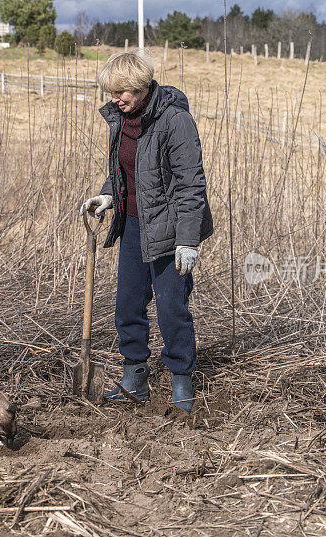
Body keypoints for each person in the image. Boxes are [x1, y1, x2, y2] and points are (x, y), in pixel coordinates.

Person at [80, 48, 213, 412]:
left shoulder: (174, 120)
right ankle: (134, 378)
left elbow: (191, 184)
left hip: (172, 229)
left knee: (172, 309)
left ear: (140, 87)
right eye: (110, 92)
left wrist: (188, 240)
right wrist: (108, 195)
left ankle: (181, 382)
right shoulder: (122, 119)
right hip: (135, 224)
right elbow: (125, 166)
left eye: (121, 92)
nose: (114, 99)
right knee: (128, 304)